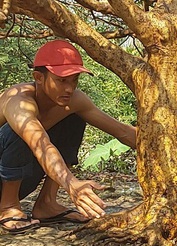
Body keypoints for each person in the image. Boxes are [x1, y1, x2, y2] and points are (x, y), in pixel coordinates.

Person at [0, 39, 137, 234]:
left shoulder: (73, 101)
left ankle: (47, 203)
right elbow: (40, 144)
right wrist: (71, 184)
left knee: (74, 118)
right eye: (62, 80)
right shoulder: (18, 101)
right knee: (18, 129)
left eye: (74, 80)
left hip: (21, 176)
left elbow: (122, 131)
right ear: (39, 77)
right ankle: (7, 206)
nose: (69, 88)